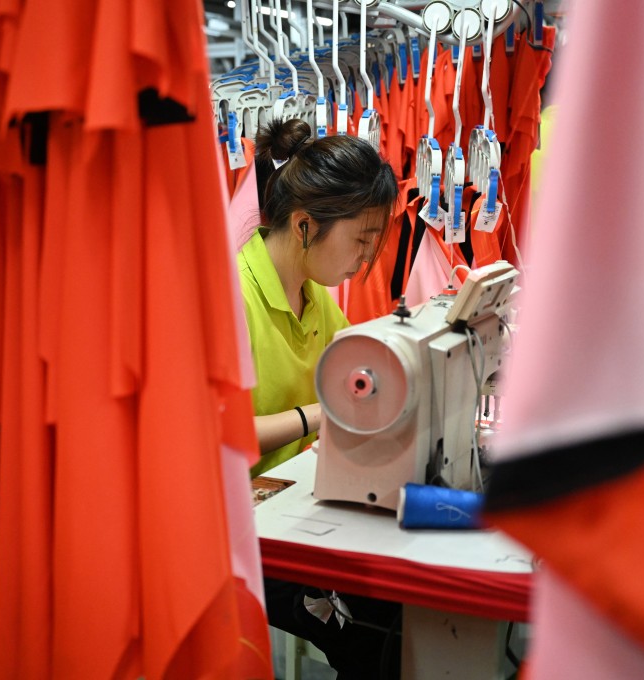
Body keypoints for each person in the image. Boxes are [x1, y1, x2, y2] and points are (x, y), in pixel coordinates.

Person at [237, 117, 403, 679]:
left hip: (299, 508)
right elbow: (214, 432)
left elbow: (360, 367)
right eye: (360, 239)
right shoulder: (231, 296)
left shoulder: (313, 298)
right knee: (377, 629)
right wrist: (318, 414)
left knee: (400, 597)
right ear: (306, 226)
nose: (365, 259)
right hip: (239, 529)